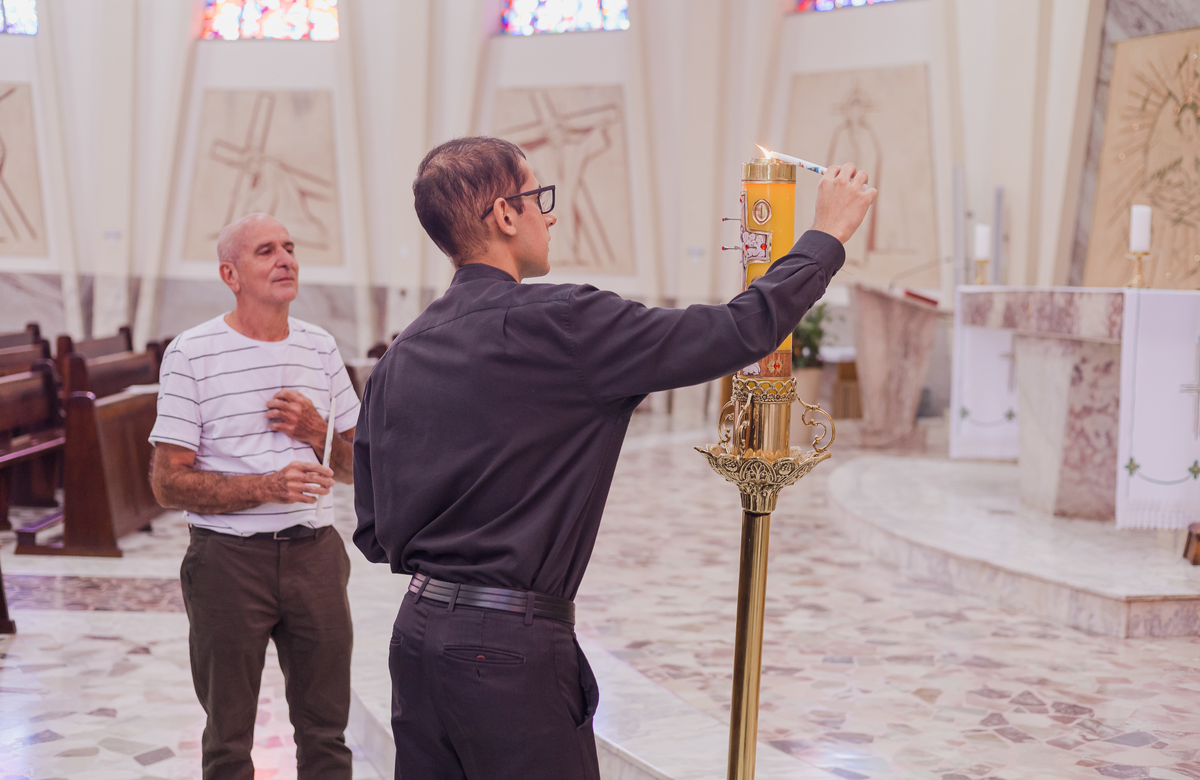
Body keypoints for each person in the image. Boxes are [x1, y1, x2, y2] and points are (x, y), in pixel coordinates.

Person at [353, 137, 876, 779]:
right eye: (538, 197)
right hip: (508, 650)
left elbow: (375, 534)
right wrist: (827, 233)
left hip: (416, 640)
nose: (551, 215)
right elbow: (738, 331)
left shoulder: (400, 354)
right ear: (504, 215)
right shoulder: (566, 325)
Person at [149, 213, 360, 780]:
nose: (285, 258)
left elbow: (360, 464)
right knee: (228, 737)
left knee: (326, 734)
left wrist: (317, 431)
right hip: (227, 561)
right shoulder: (193, 352)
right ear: (230, 273)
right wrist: (267, 487)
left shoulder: (320, 347)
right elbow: (167, 482)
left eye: (289, 247)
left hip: (315, 555)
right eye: (266, 250)